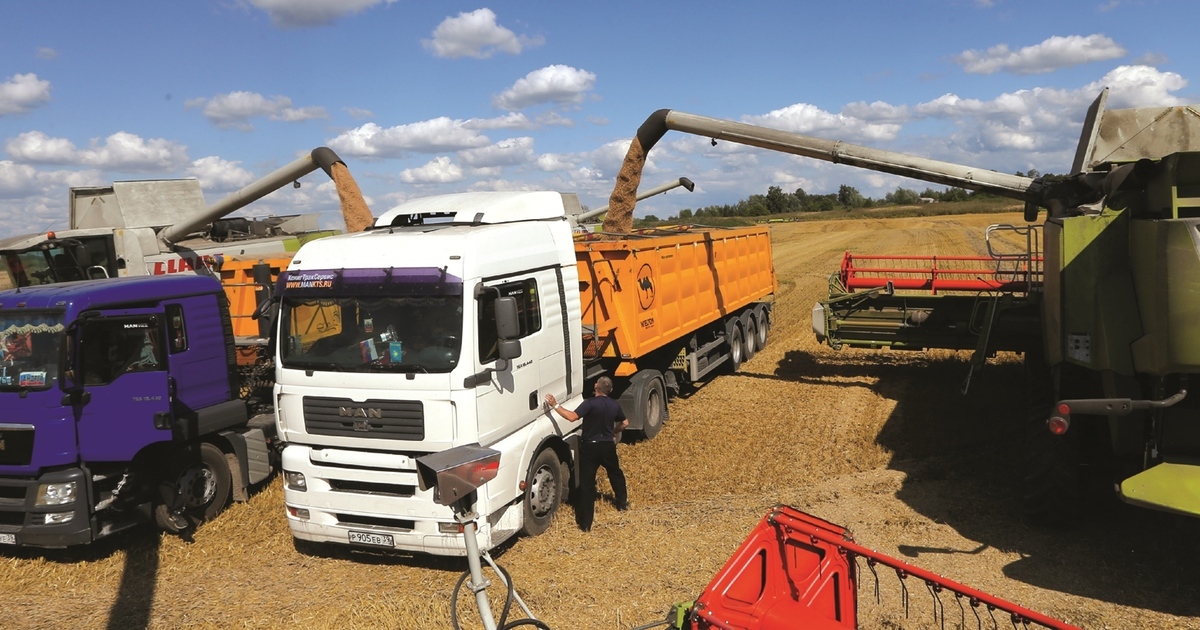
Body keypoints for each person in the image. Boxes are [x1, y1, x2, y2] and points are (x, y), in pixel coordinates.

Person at [545, 377, 629, 532]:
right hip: (608, 446)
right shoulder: (614, 405)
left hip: (590, 447)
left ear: (596, 386)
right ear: (609, 390)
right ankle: (622, 503)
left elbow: (572, 417)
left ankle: (586, 523)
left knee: (587, 484)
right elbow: (625, 423)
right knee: (615, 473)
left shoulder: (590, 403)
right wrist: (613, 432)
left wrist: (555, 405)